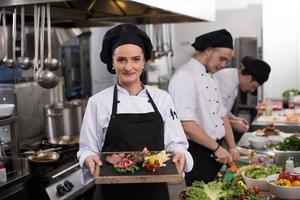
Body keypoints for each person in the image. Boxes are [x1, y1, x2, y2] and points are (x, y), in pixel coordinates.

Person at [77, 24, 193, 200]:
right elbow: (87, 148)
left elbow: (176, 143)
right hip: (111, 194)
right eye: (121, 60)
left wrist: (180, 153)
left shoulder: (162, 99)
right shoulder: (97, 102)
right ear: (112, 62)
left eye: (135, 59)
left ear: (144, 61)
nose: (128, 67)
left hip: (154, 192)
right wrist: (88, 158)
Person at [168, 29, 240, 186]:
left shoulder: (211, 77)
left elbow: (222, 115)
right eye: (221, 59)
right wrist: (216, 148)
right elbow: (186, 124)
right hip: (198, 152)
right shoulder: (184, 77)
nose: (223, 65)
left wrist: (232, 147)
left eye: (226, 61)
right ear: (208, 50)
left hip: (215, 149)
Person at [215, 56, 271, 142]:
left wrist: (235, 118)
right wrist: (233, 124)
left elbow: (224, 110)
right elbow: (214, 114)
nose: (251, 90)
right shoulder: (225, 80)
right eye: (253, 86)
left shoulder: (234, 81)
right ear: (248, 78)